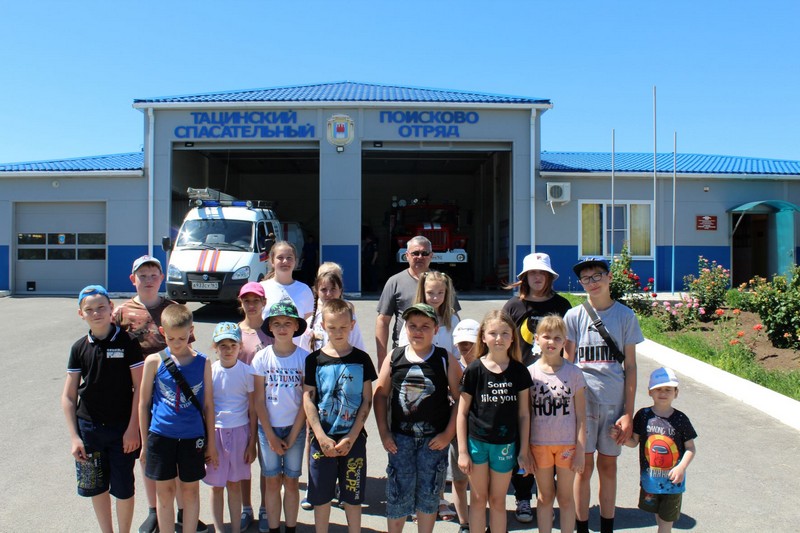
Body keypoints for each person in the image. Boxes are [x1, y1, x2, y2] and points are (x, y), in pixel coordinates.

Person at [113, 254, 206, 533]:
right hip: (138, 389)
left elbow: (189, 349)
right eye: (142, 276)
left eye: (154, 275)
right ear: (133, 279)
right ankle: (154, 510)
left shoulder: (175, 309)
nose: (149, 280)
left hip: (173, 391)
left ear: (162, 278)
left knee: (178, 455)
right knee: (152, 455)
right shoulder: (122, 313)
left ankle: (182, 510)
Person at [564, 256, 644, 533]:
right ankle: (582, 526)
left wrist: (628, 413)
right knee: (583, 468)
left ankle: (607, 526)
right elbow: (568, 364)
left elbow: (630, 367)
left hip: (613, 403)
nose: (592, 282)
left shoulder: (625, 316)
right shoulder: (574, 316)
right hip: (582, 405)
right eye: (586, 278)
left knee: (608, 467)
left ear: (609, 277)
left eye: (597, 275)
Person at [373, 303, 463, 533]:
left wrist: (448, 433)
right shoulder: (395, 357)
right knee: (398, 493)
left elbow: (461, 399)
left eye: (425, 326)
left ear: (436, 329)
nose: (418, 331)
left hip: (434, 441)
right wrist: (384, 432)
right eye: (412, 325)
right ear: (405, 328)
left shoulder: (444, 359)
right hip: (400, 440)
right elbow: (380, 395)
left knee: (429, 494)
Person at [62, 285, 144, 533]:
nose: (96, 313)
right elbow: (68, 396)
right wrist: (75, 437)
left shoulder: (128, 342)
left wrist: (133, 428)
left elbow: (140, 389)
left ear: (111, 308)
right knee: (96, 486)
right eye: (89, 310)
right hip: (89, 431)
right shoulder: (79, 348)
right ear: (81, 314)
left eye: (101, 307)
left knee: (123, 488)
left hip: (122, 431)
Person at [503, 252, 572, 523]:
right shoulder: (513, 306)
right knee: (524, 441)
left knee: (551, 442)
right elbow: (504, 342)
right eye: (532, 273)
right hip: (521, 383)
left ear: (549, 277)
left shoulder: (562, 305)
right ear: (524, 277)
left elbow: (570, 344)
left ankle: (548, 498)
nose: (537, 277)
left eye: (542, 273)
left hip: (555, 384)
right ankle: (523, 497)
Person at [139, 304, 217, 533]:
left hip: (192, 437)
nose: (176, 343)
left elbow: (208, 405)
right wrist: (145, 444)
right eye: (171, 338)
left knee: (190, 491)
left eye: (182, 338)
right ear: (162, 332)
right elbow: (143, 404)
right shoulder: (154, 361)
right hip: (161, 436)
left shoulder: (203, 362)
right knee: (165, 493)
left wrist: (212, 444)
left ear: (191, 331)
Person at [303, 299, 377, 533]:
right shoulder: (313, 360)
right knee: (321, 497)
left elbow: (366, 400)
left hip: (353, 440)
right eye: (332, 327)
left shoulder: (362, 359)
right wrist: (320, 436)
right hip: (321, 440)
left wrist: (352, 437)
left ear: (352, 325)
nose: (338, 332)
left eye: (343, 327)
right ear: (323, 326)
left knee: (353, 498)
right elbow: (308, 399)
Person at [457, 310, 533, 533]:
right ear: (483, 337)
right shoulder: (474, 370)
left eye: (505, 333)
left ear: (513, 338)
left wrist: (524, 451)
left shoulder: (519, 371)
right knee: (478, 499)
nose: (499, 338)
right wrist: (462, 451)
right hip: (477, 444)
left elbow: (524, 414)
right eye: (493, 333)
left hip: (506, 445)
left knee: (498, 501)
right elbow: (462, 413)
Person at [251, 300, 310, 533]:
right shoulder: (261, 358)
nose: (282, 328)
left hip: (295, 427)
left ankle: (291, 528)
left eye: (287, 323)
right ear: (270, 328)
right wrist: (270, 436)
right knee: (272, 481)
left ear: (296, 326)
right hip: (268, 430)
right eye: (277, 324)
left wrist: (294, 434)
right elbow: (258, 400)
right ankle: (274, 528)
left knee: (292, 482)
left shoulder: (305, 358)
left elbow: (306, 399)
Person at [617, 368, 697, 533]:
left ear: (676, 393)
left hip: (673, 483)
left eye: (668, 389)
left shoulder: (681, 419)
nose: (663, 393)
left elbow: (690, 448)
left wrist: (681, 467)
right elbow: (634, 442)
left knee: (666, 520)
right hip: (651, 481)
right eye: (658, 389)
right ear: (649, 392)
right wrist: (620, 437)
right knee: (658, 515)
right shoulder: (643, 415)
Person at [529, 316, 587, 533]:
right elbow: (525, 415)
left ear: (565, 341)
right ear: (537, 339)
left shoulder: (574, 373)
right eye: (546, 337)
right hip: (539, 444)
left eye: (557, 338)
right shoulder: (530, 373)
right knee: (545, 497)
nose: (551, 342)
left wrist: (580, 451)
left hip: (567, 445)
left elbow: (581, 415)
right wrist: (525, 449)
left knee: (565, 497)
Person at [376, 236, 460, 369]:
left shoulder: (441, 282)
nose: (420, 257)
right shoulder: (395, 282)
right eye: (415, 253)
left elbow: (454, 318)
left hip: (443, 360)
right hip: (406, 354)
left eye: (425, 253)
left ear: (431, 256)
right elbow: (383, 321)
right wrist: (382, 361)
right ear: (407, 255)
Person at [204, 322, 257, 533]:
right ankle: (219, 529)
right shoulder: (210, 371)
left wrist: (251, 444)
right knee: (217, 486)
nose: (228, 350)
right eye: (223, 345)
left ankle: (235, 528)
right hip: (215, 433)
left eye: (233, 345)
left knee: (234, 484)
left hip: (240, 434)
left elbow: (253, 410)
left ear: (240, 347)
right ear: (215, 347)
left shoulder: (247, 372)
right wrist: (209, 444)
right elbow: (207, 407)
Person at [237, 281, 274, 531]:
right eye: (246, 301)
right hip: (241, 405)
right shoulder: (234, 331)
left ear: (264, 303)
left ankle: (264, 507)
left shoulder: (271, 331)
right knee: (244, 459)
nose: (251, 305)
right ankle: (245, 507)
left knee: (266, 462)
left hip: (267, 404)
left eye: (256, 301)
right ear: (241, 303)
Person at [448, 318, 480, 533]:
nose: (465, 348)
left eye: (470, 343)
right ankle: (464, 523)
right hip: (456, 434)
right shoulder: (453, 367)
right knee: (459, 481)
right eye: (461, 343)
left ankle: (483, 519)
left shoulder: (486, 366)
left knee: (480, 483)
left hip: (481, 434)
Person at [302, 262, 365, 353]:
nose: (328, 293)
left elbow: (357, 344)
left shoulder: (347, 312)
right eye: (324, 289)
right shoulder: (310, 313)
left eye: (334, 277)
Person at [260, 241, 315, 346]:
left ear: (296, 261)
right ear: (272, 261)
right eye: (280, 258)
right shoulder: (261, 288)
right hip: (267, 348)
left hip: (297, 350)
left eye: (289, 257)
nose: (285, 261)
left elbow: (309, 324)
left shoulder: (304, 290)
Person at [397, 270, 459, 355]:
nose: (435, 298)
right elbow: (404, 348)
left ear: (446, 293)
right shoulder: (411, 318)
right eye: (430, 293)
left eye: (440, 293)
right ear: (423, 292)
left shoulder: (453, 320)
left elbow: (457, 352)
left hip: (447, 363)